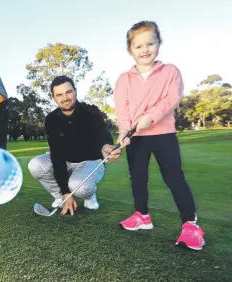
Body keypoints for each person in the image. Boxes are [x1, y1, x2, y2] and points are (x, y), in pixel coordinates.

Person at [114, 20, 205, 250]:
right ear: (130, 50)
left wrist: (150, 116)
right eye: (138, 46)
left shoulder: (171, 71)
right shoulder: (123, 79)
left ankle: (191, 225)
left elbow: (171, 99)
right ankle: (142, 216)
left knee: (174, 178)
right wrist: (124, 133)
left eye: (150, 44)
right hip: (136, 138)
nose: (144, 50)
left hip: (163, 133)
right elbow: (122, 110)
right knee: (137, 178)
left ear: (158, 44)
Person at [28, 75, 122, 216]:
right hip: (66, 161)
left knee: (79, 187)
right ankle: (61, 197)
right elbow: (57, 156)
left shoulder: (91, 111)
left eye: (68, 92)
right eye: (59, 95)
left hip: (91, 161)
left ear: (75, 92)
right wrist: (65, 192)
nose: (65, 98)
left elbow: (103, 133)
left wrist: (105, 146)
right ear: (54, 98)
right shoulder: (51, 119)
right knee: (35, 165)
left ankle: (89, 197)